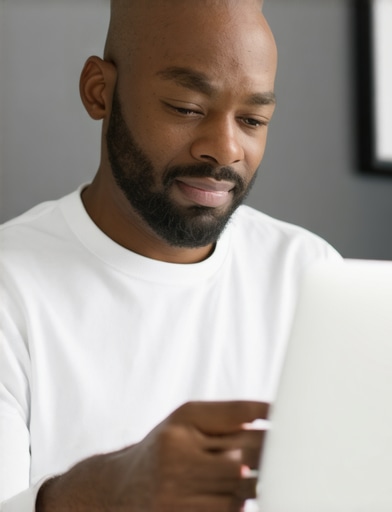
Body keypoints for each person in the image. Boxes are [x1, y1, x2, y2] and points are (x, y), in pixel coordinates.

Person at [0, 0, 342, 510]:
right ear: (100, 91)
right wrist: (108, 491)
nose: (224, 150)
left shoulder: (309, 274)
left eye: (252, 119)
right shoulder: (11, 284)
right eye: (187, 108)